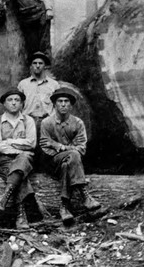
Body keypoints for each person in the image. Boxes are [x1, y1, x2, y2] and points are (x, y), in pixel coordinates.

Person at [40, 87, 101, 224]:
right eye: (60, 101)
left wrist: (60, 147)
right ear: (54, 104)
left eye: (66, 101)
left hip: (70, 162)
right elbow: (44, 145)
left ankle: (64, 206)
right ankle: (85, 195)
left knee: (68, 162)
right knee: (71, 156)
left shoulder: (78, 123)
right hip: (52, 162)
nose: (63, 104)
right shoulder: (46, 123)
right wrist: (60, 150)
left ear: (71, 105)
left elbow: (81, 148)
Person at [0, 88, 36, 229]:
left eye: (17, 100)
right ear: (4, 103)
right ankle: (21, 216)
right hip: (3, 161)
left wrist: (9, 142)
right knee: (20, 173)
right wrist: (18, 146)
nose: (14, 103)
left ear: (22, 103)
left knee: (23, 157)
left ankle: (5, 199)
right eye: (10, 100)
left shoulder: (28, 121)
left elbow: (32, 143)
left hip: (25, 159)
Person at [18, 51, 60, 169]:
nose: (37, 65)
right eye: (34, 63)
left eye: (40, 63)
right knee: (30, 148)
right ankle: (30, 173)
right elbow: (19, 104)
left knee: (46, 148)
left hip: (47, 120)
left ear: (45, 66)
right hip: (29, 120)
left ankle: (46, 175)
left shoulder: (54, 85)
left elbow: (57, 104)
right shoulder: (23, 84)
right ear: (31, 65)